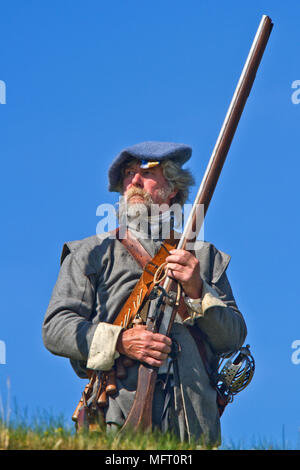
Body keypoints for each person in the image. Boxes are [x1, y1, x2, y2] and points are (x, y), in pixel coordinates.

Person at [42, 141, 247, 446]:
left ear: (173, 188)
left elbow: (232, 338)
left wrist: (197, 291)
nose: (134, 181)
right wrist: (121, 341)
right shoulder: (90, 253)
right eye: (127, 173)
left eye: (147, 172)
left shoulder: (205, 258)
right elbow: (56, 328)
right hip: (118, 411)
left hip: (192, 422)